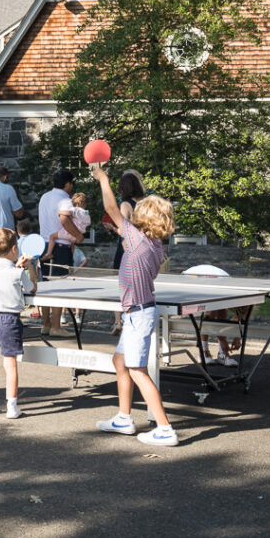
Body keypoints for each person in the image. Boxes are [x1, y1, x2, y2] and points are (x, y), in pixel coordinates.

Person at [91, 164, 179, 447]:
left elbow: (112, 208)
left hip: (138, 314)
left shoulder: (138, 241)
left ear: (146, 219)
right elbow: (118, 220)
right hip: (136, 313)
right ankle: (124, 418)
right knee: (120, 361)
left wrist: (103, 178)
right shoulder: (153, 244)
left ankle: (165, 428)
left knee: (138, 370)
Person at [0, 228, 35, 419]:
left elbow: (4, 276)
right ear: (13, 249)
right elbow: (32, 287)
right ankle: (12, 406)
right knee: (10, 364)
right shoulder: (18, 274)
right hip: (9, 320)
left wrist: (16, 266)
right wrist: (29, 267)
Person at [37, 169, 80, 337]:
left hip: (44, 243)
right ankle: (56, 326)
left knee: (46, 285)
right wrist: (78, 235)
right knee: (59, 286)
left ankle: (46, 324)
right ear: (67, 184)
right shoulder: (64, 199)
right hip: (60, 246)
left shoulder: (44, 197)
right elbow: (64, 219)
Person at [103, 171, 146, 335]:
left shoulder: (125, 205)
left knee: (120, 285)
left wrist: (112, 228)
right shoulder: (144, 203)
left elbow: (124, 231)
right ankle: (135, 317)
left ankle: (118, 322)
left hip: (126, 248)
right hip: (142, 248)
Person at [46, 191, 90, 261]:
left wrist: (59, 212)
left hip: (69, 232)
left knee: (52, 236)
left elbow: (68, 213)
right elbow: (88, 223)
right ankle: (71, 257)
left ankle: (48, 253)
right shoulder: (86, 213)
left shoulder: (75, 210)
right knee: (72, 244)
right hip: (77, 235)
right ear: (85, 204)